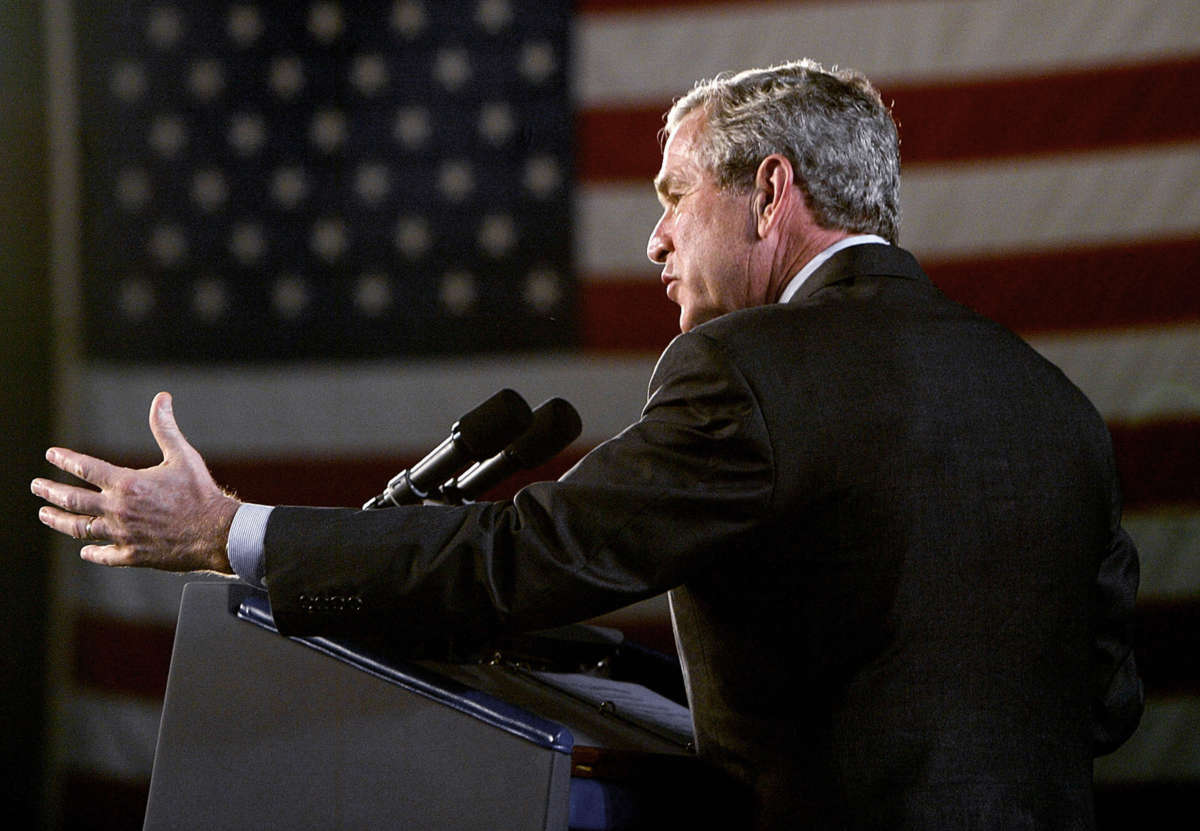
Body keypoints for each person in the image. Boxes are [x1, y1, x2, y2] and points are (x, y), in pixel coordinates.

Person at [33, 60, 1141, 828]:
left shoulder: (751, 369)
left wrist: (234, 532)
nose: (655, 237)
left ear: (769, 193)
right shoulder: (1050, 401)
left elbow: (520, 563)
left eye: (673, 195)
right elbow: (1105, 698)